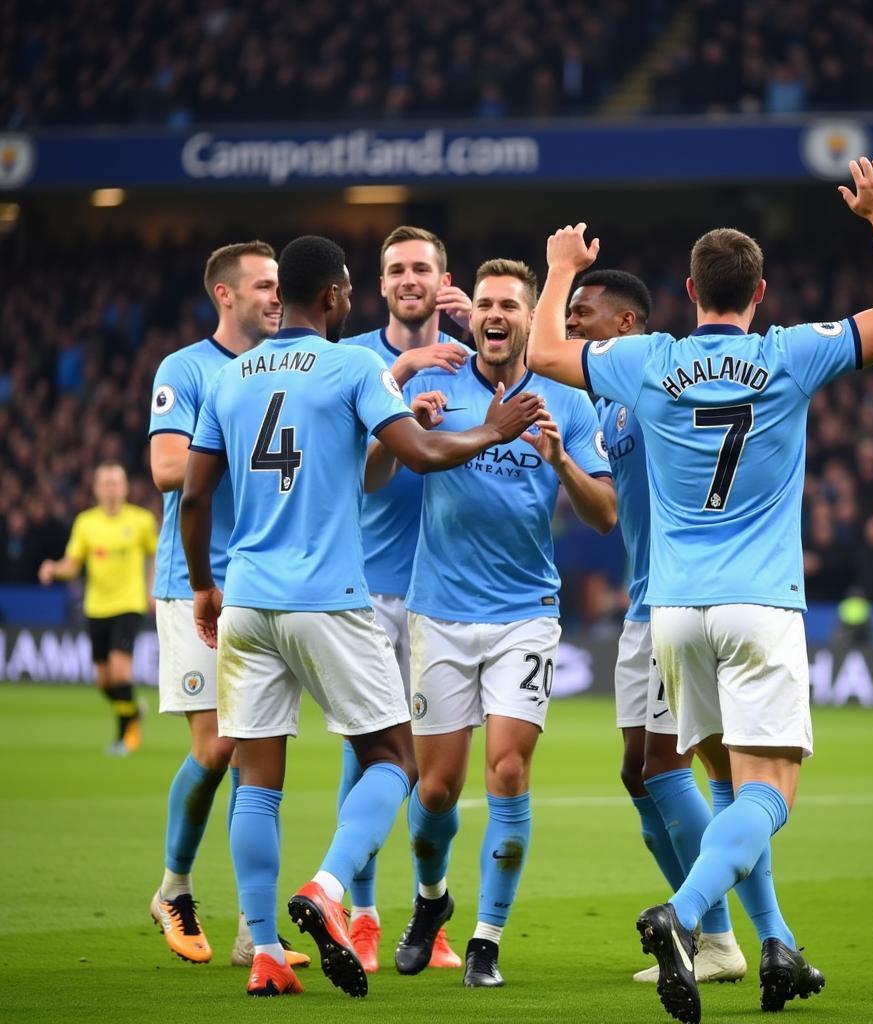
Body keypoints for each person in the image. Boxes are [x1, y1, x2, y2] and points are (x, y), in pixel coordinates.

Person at [526, 158, 873, 1023]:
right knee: (770, 792)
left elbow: (543, 352)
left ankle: (776, 941)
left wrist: (560, 269)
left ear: (689, 289)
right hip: (760, 603)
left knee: (722, 775)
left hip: (673, 612)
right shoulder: (789, 354)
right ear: (760, 292)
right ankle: (683, 913)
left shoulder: (647, 360)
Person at [180, 235, 545, 998]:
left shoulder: (232, 376)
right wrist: (492, 431)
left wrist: (203, 587)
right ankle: (330, 887)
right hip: (328, 599)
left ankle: (269, 956)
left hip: (246, 598)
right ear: (339, 296)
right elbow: (418, 454)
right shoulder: (353, 366)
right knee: (394, 759)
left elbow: (193, 496)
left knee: (257, 781)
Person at [392, 259, 617, 988]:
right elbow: (383, 469)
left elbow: (605, 513)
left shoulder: (566, 400)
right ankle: (432, 901)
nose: (495, 314)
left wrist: (558, 461)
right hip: (439, 612)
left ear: (528, 319)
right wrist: (412, 420)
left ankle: (486, 938)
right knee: (435, 791)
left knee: (509, 771)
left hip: (525, 613)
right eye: (484, 302)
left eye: (509, 306)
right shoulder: (439, 383)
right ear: (471, 314)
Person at [566, 269, 746, 985]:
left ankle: (717, 937)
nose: (574, 324)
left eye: (586, 313)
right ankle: (709, 932)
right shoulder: (609, 408)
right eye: (570, 312)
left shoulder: (654, 386)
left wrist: (552, 282)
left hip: (680, 603)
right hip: (644, 606)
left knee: (668, 766)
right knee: (636, 771)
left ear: (628, 327)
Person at [147, 241, 308, 968]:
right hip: (194, 581)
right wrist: (234, 440)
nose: (279, 296)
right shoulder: (186, 370)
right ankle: (174, 888)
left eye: (281, 286)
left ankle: (254, 931)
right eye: (265, 286)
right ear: (226, 295)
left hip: (263, 585)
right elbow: (165, 468)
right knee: (217, 750)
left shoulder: (287, 366)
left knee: (257, 757)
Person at [339, 225, 473, 972]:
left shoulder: (475, 358)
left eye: (423, 266)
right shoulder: (355, 360)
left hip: (455, 596)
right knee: (368, 755)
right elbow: (358, 477)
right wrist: (404, 373)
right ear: (380, 284)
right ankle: (360, 915)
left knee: (437, 777)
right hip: (376, 589)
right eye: (397, 269)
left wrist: (477, 334)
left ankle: (433, 905)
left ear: (442, 277)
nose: (410, 277)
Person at [39, 461, 157, 756]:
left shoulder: (141, 521)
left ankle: (125, 736)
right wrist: (54, 569)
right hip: (96, 607)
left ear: (126, 487)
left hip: (129, 604)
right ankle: (132, 711)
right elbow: (73, 564)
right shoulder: (86, 523)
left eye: (116, 482)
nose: (112, 488)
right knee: (103, 681)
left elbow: (156, 555)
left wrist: (152, 587)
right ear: (96, 489)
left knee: (120, 671)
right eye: (106, 483)